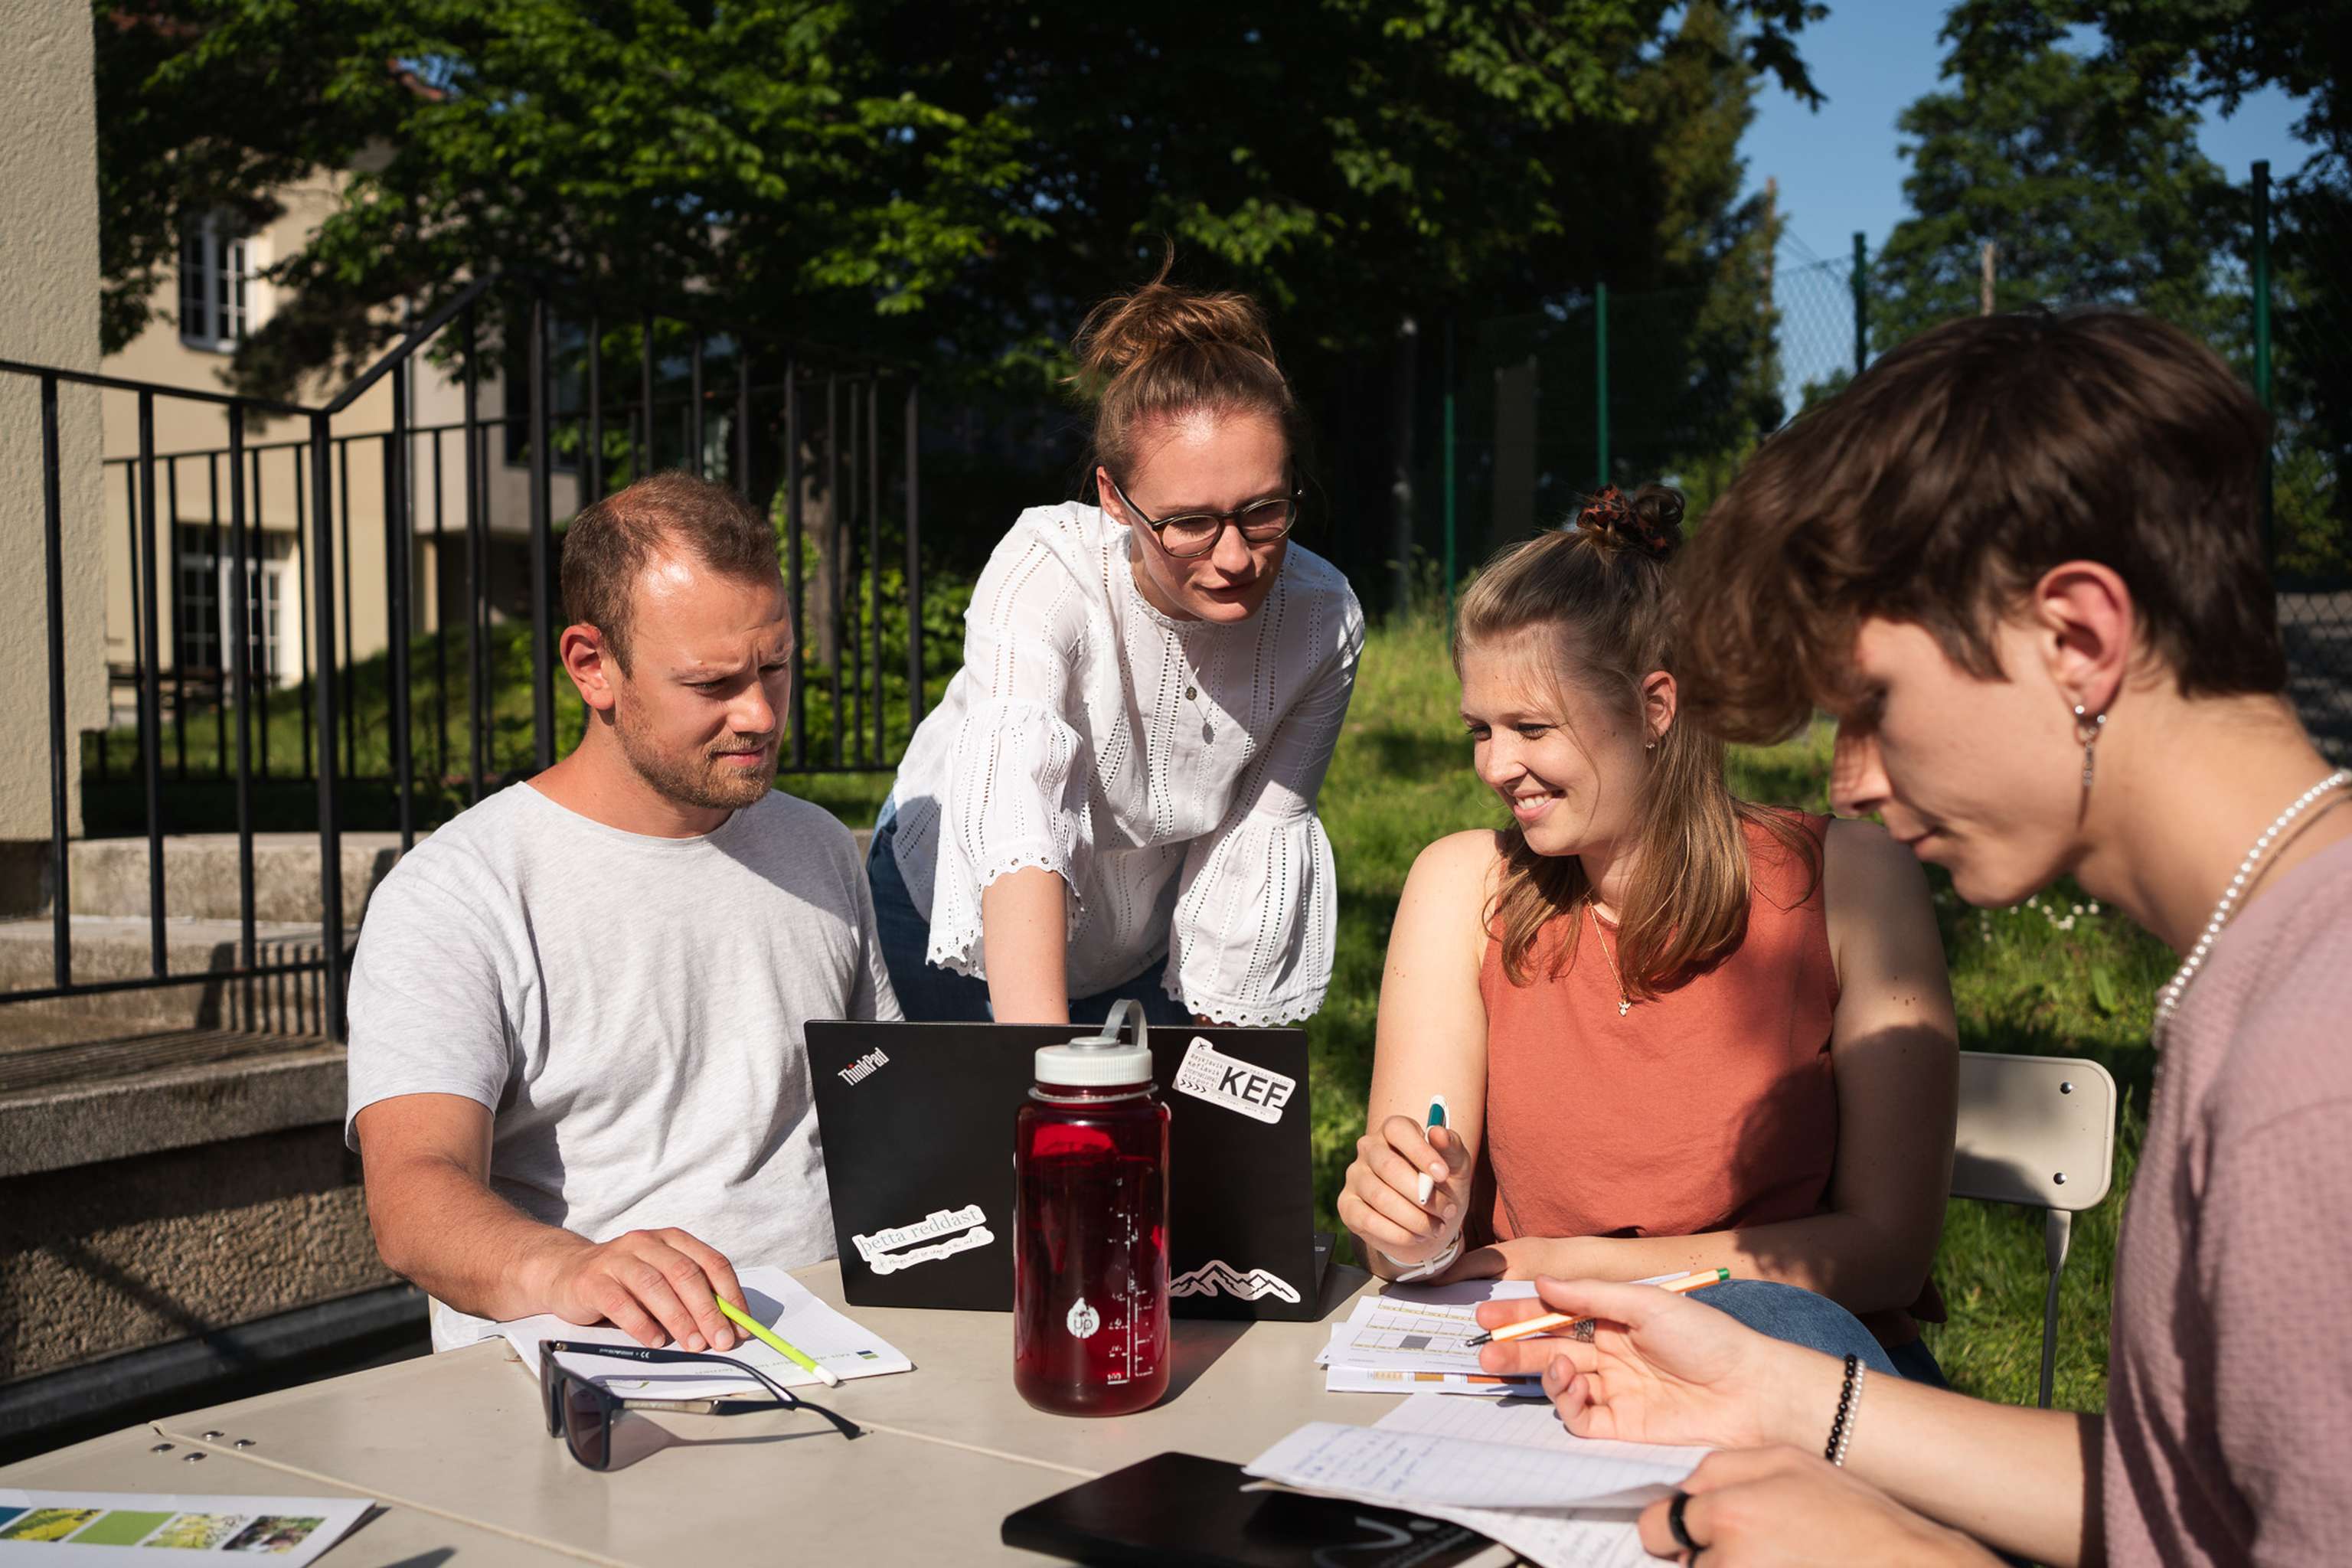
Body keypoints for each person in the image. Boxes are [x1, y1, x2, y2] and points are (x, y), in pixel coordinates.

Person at [1475, 311, 2352, 1567]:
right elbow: (2190, 1498)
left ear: (2077, 639)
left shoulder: (2315, 1071)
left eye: (1872, 705)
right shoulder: (2266, 968)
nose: (1852, 784)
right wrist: (1786, 1398)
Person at [1338, 485, 1958, 1381]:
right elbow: (1425, 1251)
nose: (1495, 767)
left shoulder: (1850, 883)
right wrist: (1409, 1230)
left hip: (1790, 1375)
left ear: (1655, 707)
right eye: (1481, 729)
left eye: (1531, 727)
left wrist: (1569, 1267)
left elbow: (1887, 1252)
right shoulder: (1462, 885)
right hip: (1543, 1366)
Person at [347, 470, 898, 1354]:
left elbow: (882, 1111)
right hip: (593, 1364)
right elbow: (413, 1196)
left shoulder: (818, 846)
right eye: (713, 682)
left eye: (776, 665)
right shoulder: (458, 889)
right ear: (592, 666)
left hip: (841, 1341)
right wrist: (570, 1269)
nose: (759, 712)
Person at [871, 266, 1364, 1027]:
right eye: (1190, 522)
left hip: (1137, 944)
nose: (1234, 557)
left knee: (1158, 1144)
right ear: (1112, 498)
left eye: (1263, 510)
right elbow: (1019, 819)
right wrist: (1045, 1064)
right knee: (983, 1139)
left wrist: (1211, 1082)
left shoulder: (1323, 619)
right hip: (955, 906)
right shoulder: (1046, 570)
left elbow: (1251, 846)